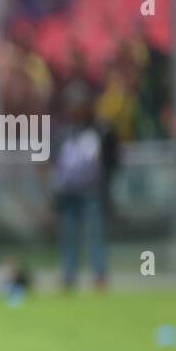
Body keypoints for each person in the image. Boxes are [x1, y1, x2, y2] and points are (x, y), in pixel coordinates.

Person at [51, 86, 111, 290]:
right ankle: (69, 275)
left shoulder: (100, 130)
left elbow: (112, 158)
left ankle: (99, 275)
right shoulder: (64, 132)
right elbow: (54, 160)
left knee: (95, 234)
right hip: (68, 192)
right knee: (69, 236)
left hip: (92, 191)